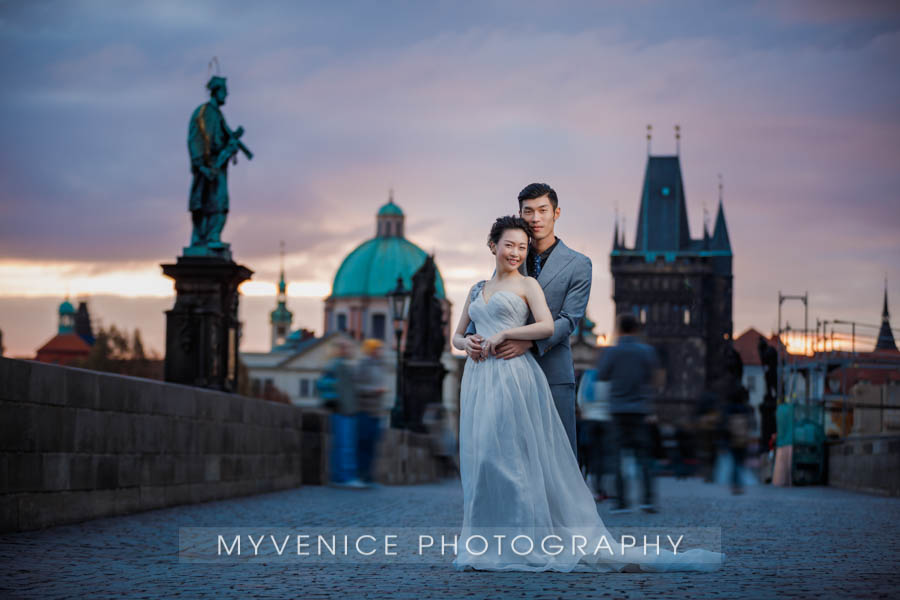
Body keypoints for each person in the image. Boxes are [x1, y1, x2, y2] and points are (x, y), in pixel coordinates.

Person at [451, 215, 725, 573]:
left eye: (522, 246)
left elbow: (548, 325)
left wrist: (506, 335)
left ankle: (522, 540)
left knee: (512, 458)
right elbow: (457, 337)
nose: (516, 252)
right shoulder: (475, 290)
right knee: (482, 456)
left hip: (514, 377)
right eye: (509, 245)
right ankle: (484, 542)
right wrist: (467, 342)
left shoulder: (528, 285)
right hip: (478, 378)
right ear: (493, 246)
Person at [464, 183, 592, 458]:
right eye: (528, 211)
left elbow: (569, 319)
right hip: (504, 373)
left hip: (552, 370)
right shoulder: (512, 254)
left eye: (542, 210)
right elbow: (490, 300)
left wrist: (529, 343)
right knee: (510, 455)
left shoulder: (579, 264)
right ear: (520, 214)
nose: (535, 218)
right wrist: (471, 338)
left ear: (556, 213)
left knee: (558, 458)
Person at [595, 314, 662, 514]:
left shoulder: (612, 352)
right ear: (636, 330)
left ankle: (621, 501)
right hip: (640, 410)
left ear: (620, 329)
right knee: (644, 457)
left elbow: (602, 375)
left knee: (616, 457)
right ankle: (647, 500)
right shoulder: (647, 351)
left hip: (617, 410)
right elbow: (655, 379)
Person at [319, 339, 366, 489]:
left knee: (344, 445)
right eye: (346, 347)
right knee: (344, 446)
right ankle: (344, 477)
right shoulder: (335, 365)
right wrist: (335, 399)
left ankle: (341, 476)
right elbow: (323, 384)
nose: (349, 350)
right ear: (339, 349)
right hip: (342, 410)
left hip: (347, 410)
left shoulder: (343, 365)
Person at [575, 368, 613, 502]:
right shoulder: (610, 375)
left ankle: (593, 488)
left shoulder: (588, 375)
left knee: (590, 456)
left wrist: (584, 412)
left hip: (589, 419)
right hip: (607, 420)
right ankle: (603, 488)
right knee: (605, 456)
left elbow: (580, 397)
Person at [355, 339, 387, 486]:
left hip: (376, 412)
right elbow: (357, 387)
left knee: (372, 446)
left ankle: (368, 476)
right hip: (365, 410)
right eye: (376, 349)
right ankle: (361, 475)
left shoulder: (379, 365)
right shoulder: (363, 365)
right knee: (363, 444)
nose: (379, 351)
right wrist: (374, 391)